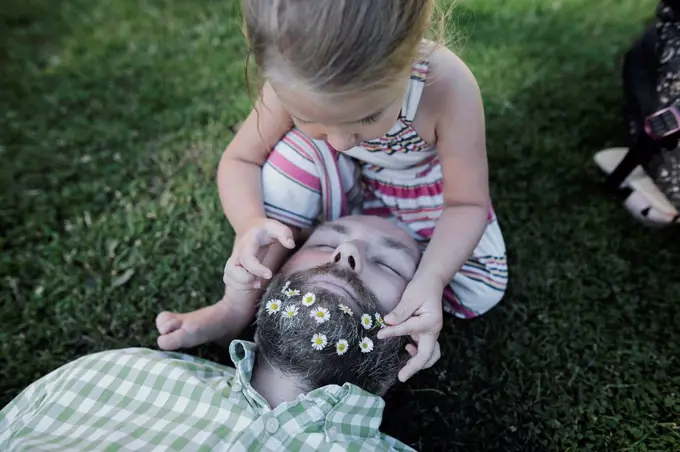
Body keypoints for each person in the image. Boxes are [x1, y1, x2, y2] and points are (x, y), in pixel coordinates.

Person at [157, 0, 508, 382]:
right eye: (309, 117)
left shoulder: (445, 86)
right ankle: (235, 309)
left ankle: (386, 268)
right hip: (347, 182)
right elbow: (241, 160)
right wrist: (250, 224)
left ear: (409, 55)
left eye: (368, 117)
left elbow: (466, 203)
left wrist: (433, 278)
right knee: (291, 159)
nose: (340, 141)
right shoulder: (289, 70)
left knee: (482, 287)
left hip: (425, 194)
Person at [1, 216, 435, 451]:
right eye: (324, 242)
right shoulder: (103, 379)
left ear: (412, 343)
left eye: (392, 265)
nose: (348, 252)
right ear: (270, 280)